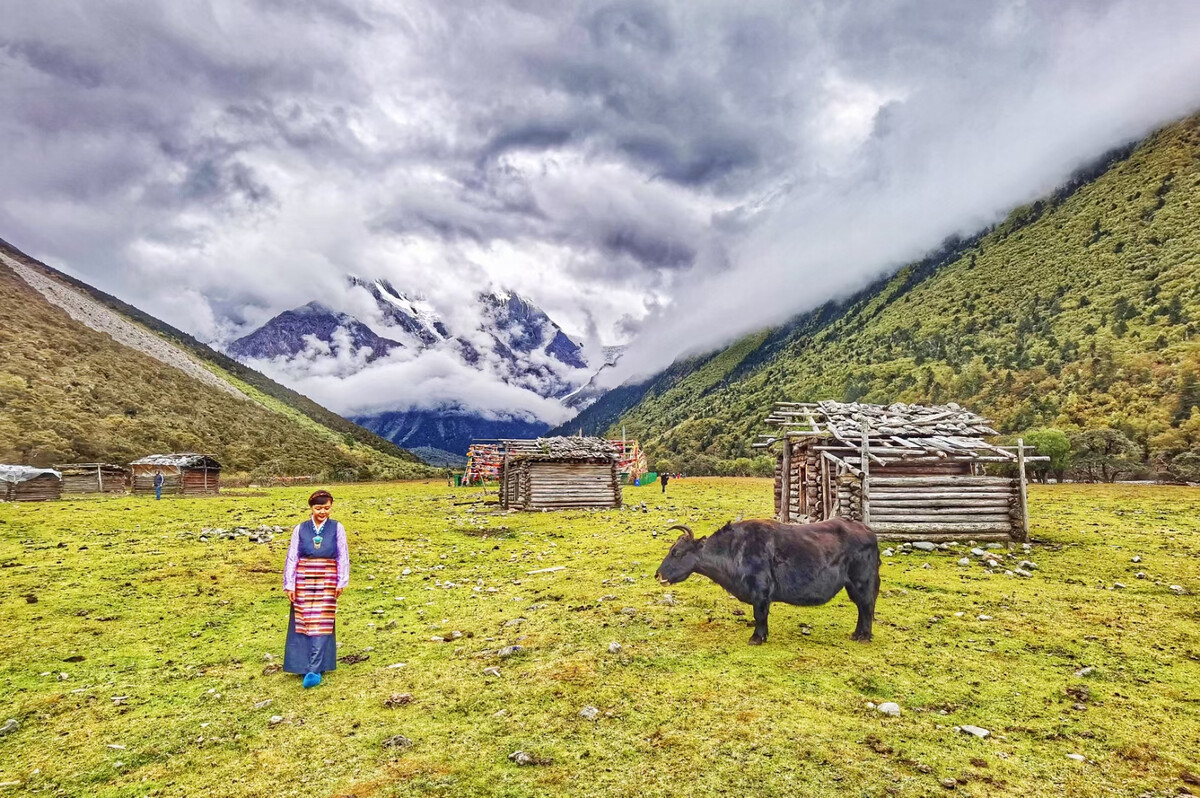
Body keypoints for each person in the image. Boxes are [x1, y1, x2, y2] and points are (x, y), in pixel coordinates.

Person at [282, 489, 349, 688]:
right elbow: (292, 556)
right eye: (318, 508)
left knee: (322, 621)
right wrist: (289, 583)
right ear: (311, 508)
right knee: (303, 619)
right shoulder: (300, 529)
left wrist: (341, 581)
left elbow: (342, 555)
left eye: (326, 508)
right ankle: (302, 664)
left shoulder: (337, 528)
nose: (322, 512)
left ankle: (315, 668)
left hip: (328, 577)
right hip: (303, 579)